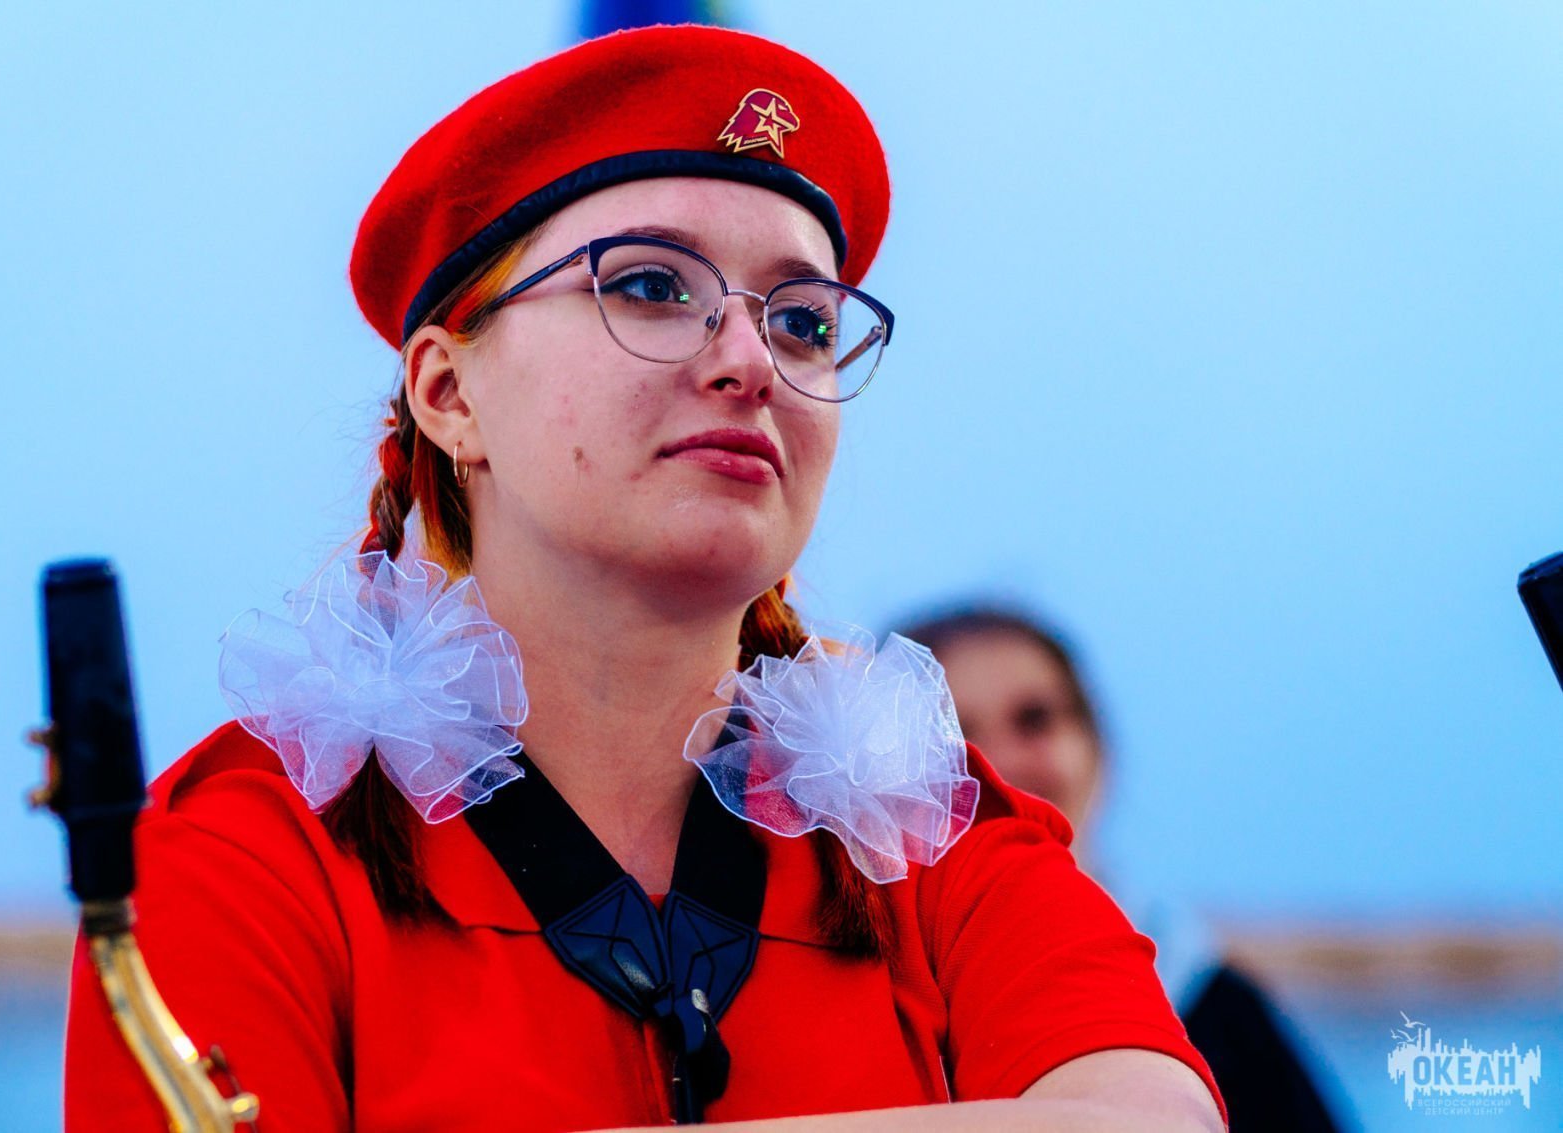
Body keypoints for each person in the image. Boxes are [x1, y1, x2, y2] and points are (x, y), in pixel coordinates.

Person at [65, 26, 1227, 1132]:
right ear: (449, 393)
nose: (750, 361)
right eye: (652, 287)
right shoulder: (246, 850)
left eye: (804, 320)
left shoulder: (929, 832)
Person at [898, 606, 1346, 1132]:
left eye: (1034, 719)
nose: (997, 763)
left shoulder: (1216, 1007)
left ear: (1098, 748)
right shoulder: (873, 1015)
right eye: (953, 733)